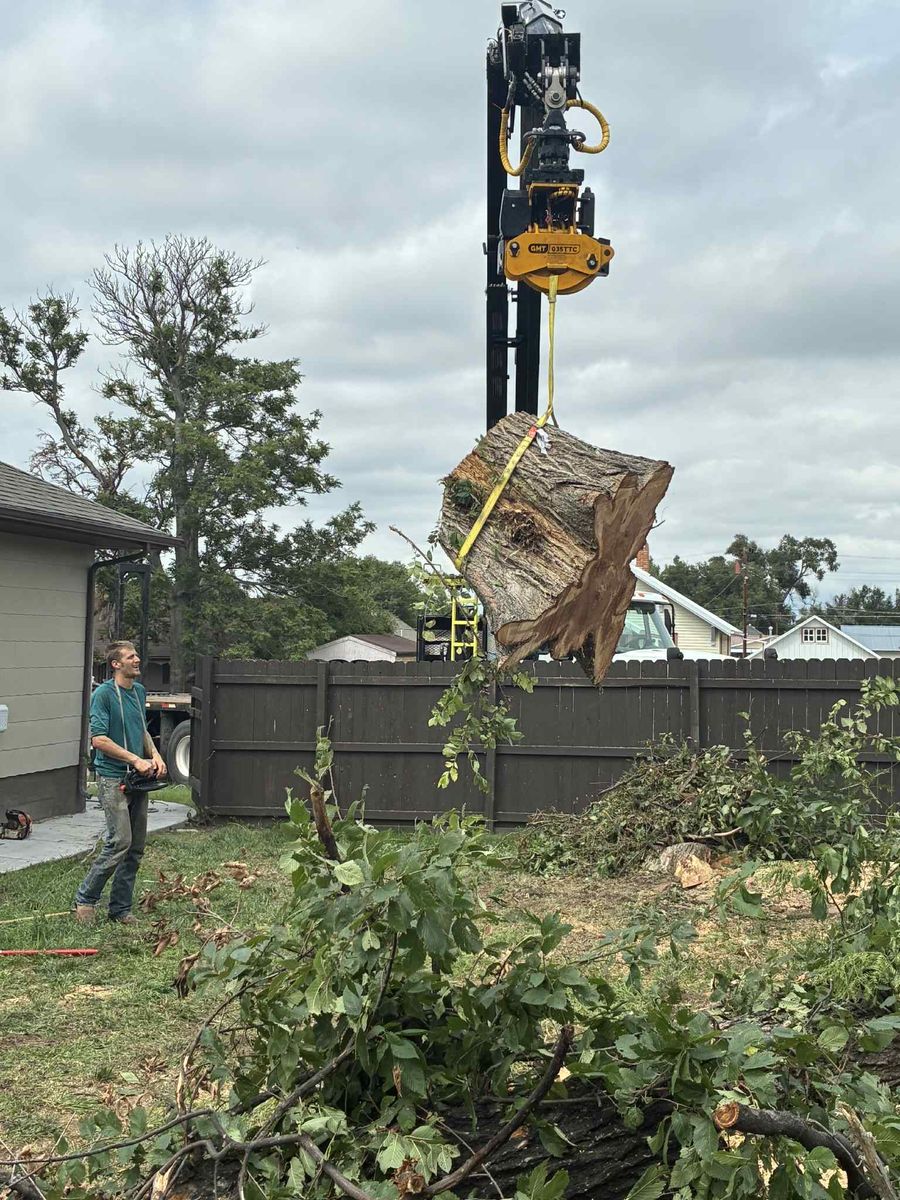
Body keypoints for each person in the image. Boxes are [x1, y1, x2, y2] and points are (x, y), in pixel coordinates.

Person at [74, 641, 167, 924]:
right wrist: (135, 760)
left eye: (137, 654)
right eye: (130, 656)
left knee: (135, 846)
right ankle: (85, 900)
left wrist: (155, 755)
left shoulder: (138, 692)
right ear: (116, 664)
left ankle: (120, 910)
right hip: (113, 776)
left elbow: (141, 730)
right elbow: (99, 740)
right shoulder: (102, 695)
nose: (137, 659)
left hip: (137, 778)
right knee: (119, 842)